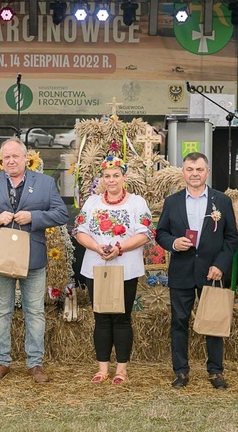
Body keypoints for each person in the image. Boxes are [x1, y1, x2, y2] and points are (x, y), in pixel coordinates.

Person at [0, 138, 69, 383]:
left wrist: (33, 216)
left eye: (15, 156)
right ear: (1, 159)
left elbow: (62, 213)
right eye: (6, 157)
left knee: (35, 311)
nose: (10, 161)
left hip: (33, 257)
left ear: (25, 158)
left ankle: (35, 364)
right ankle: (2, 362)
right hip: (1, 256)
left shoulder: (45, 182)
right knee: (1, 312)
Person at [156, 152, 238, 390]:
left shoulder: (221, 201)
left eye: (199, 169)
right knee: (179, 322)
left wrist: (220, 265)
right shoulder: (172, 202)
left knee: (213, 322)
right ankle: (181, 371)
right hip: (182, 270)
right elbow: (160, 232)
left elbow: (231, 237)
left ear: (207, 172)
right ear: (183, 172)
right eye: (190, 169)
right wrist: (173, 243)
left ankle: (215, 371)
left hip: (211, 271)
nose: (194, 174)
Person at [73, 155, 154, 384]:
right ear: (102, 179)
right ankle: (102, 368)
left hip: (125, 269)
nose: (111, 180)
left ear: (124, 177)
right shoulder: (92, 202)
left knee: (122, 318)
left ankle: (121, 370)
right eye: (107, 176)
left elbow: (146, 233)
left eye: (116, 175)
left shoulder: (136, 202)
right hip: (96, 268)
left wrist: (120, 247)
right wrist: (96, 246)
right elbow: (79, 231)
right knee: (101, 318)